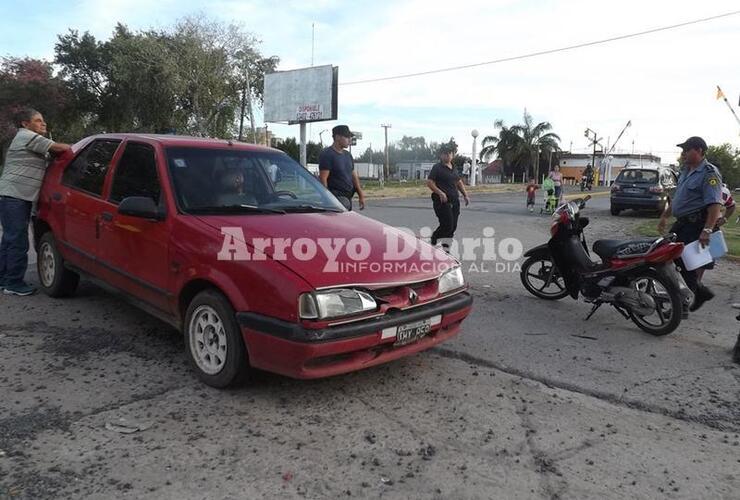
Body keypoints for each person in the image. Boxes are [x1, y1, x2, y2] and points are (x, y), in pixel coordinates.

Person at [0, 108, 71, 296]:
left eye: (43, 120)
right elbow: (60, 148)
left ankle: (4, 278)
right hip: (15, 196)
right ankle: (14, 283)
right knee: (17, 241)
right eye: (38, 120)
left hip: (13, 196)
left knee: (9, 240)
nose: (43, 123)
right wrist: (82, 147)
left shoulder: (30, 141)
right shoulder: (26, 136)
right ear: (25, 124)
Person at [657, 136, 723, 311]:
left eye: (687, 149)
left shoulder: (709, 173)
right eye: (682, 150)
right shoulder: (686, 170)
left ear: (699, 150)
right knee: (669, 258)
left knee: (688, 264)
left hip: (697, 225)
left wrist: (707, 230)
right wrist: (665, 216)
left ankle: (684, 302)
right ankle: (697, 293)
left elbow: (715, 205)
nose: (683, 153)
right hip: (682, 224)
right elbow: (679, 198)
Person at [427, 145, 470, 251]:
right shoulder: (437, 167)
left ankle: (446, 250)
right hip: (441, 202)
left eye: (450, 153)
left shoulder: (453, 167)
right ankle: (434, 239)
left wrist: (465, 195)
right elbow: (430, 182)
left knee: (453, 227)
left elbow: (458, 182)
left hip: (454, 201)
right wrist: (440, 192)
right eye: (446, 154)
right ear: (441, 155)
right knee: (447, 225)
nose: (448, 156)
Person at [318, 125, 365, 210]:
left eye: (350, 137)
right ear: (337, 137)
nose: (349, 139)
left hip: (348, 197)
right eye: (347, 137)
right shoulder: (327, 154)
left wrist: (360, 195)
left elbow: (354, 177)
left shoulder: (348, 155)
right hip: (337, 198)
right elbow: (323, 179)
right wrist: (328, 199)